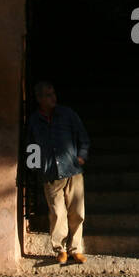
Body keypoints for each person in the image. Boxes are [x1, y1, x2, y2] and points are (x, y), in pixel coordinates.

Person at [27, 81, 90, 265]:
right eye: (48, 95)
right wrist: (36, 167)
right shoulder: (34, 120)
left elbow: (83, 137)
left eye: (53, 93)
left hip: (72, 170)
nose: (53, 97)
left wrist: (81, 157)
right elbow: (31, 146)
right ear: (39, 99)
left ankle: (76, 249)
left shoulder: (67, 114)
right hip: (50, 174)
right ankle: (60, 250)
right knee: (57, 213)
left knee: (77, 212)